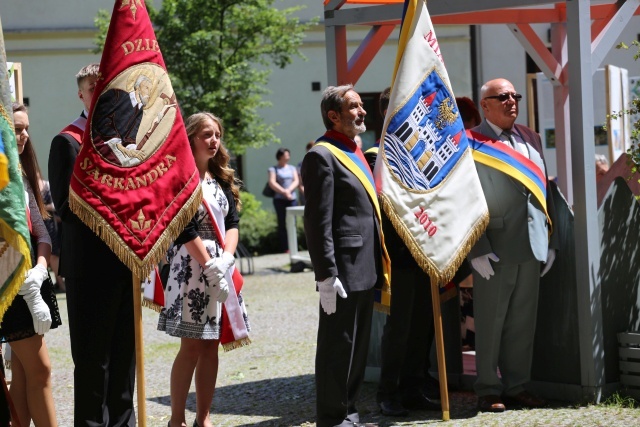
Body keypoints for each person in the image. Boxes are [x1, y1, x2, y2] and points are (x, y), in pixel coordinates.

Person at [49, 62, 138, 425]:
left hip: (125, 263)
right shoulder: (67, 141)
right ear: (81, 94)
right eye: (90, 87)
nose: (96, 93)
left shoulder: (128, 140)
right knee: (92, 361)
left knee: (124, 359)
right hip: (89, 267)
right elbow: (66, 207)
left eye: (104, 87)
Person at [468, 78, 559, 412]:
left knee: (522, 321)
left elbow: (544, 192)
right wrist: (476, 247)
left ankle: (517, 385)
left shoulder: (531, 138)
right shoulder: (470, 141)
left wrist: (552, 239)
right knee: (491, 320)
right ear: (485, 104)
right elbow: (464, 199)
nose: (511, 101)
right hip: (494, 245)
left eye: (514, 95)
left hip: (532, 243)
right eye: (502, 96)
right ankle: (488, 389)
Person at [301, 84, 388, 427]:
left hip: (365, 265)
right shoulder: (322, 155)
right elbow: (317, 221)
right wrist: (325, 274)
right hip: (342, 269)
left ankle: (349, 412)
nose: (362, 111)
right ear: (333, 115)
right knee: (338, 347)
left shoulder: (354, 151)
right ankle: (333, 417)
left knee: (357, 347)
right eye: (353, 106)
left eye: (361, 106)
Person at [158, 112, 249, 427]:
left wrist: (225, 258)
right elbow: (182, 228)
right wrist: (209, 263)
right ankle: (177, 419)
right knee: (192, 345)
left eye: (217, 135)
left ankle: (204, 418)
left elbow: (233, 223)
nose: (214, 141)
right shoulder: (179, 176)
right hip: (191, 267)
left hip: (220, 265)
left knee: (211, 345)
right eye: (207, 135)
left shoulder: (220, 177)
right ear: (191, 138)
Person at [365, 87, 440, 417]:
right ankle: (389, 392)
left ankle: (414, 387)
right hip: (398, 255)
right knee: (399, 329)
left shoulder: (422, 152)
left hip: (426, 250)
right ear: (387, 113)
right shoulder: (373, 155)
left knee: (423, 324)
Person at [1, 103, 61, 427]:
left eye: (26, 129)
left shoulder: (22, 178)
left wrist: (39, 269)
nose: (24, 135)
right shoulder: (1, 179)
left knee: (25, 373)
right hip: (9, 285)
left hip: (32, 282)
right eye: (17, 128)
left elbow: (42, 232)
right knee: (41, 371)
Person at [267, 147, 299, 252]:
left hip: (292, 199)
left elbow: (296, 181)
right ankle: (285, 248)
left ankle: (294, 246)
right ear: (280, 156)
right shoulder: (273, 169)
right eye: (286, 155)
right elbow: (272, 183)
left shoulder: (292, 168)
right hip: (279, 200)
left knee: (293, 222)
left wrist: (289, 190)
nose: (288, 157)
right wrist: (284, 192)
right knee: (282, 223)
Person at [37, 171, 64, 292]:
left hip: (49, 224)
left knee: (54, 254)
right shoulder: (29, 186)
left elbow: (55, 205)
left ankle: (60, 283)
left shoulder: (47, 185)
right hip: (37, 224)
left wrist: (43, 207)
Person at [297, 141, 315, 205]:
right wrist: (308, 194)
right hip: (305, 196)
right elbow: (299, 183)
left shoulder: (321, 163)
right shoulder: (301, 164)